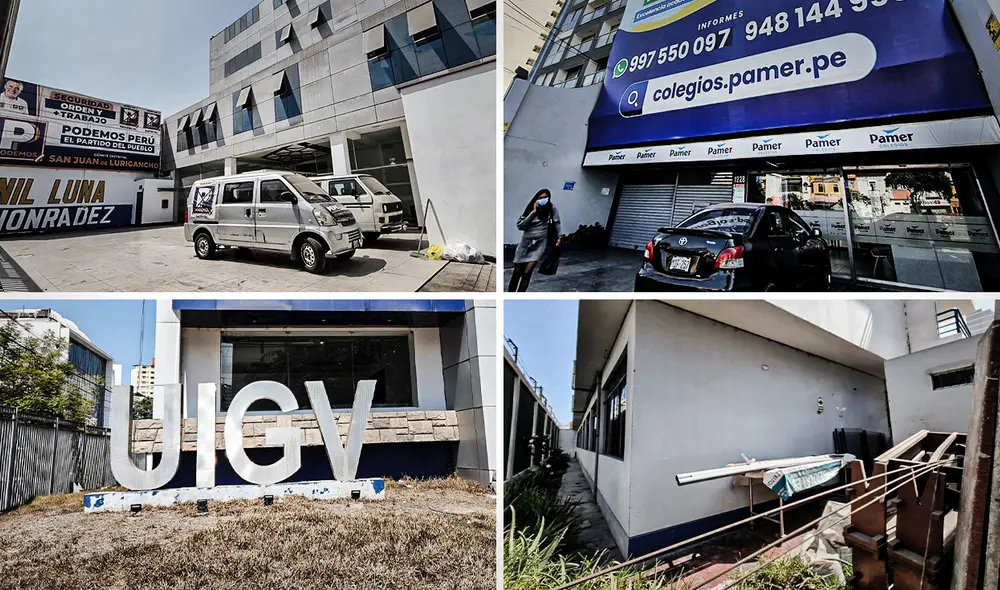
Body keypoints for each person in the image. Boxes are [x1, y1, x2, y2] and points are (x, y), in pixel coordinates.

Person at [508, 189, 561, 292]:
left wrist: (559, 237)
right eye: (540, 198)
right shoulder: (530, 208)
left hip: (540, 244)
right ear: (536, 199)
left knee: (527, 272)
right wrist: (533, 212)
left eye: (545, 198)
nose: (543, 200)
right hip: (525, 243)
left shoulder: (551, 208)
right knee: (517, 271)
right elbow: (520, 225)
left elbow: (557, 223)